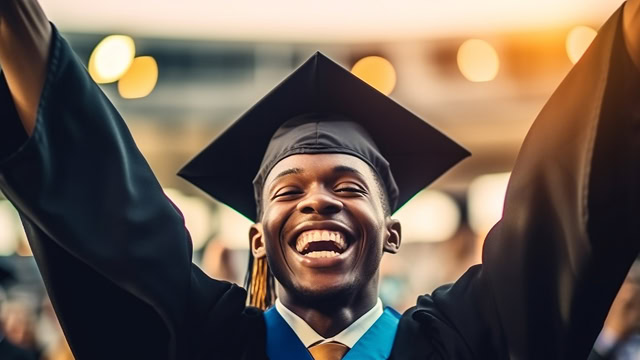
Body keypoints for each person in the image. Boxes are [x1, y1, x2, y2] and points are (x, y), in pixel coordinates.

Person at [0, 0, 639, 359]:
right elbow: (114, 210)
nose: (318, 203)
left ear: (391, 235)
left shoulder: (466, 343)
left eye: (349, 186)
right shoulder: (204, 343)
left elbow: (558, 216)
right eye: (288, 190)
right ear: (257, 240)